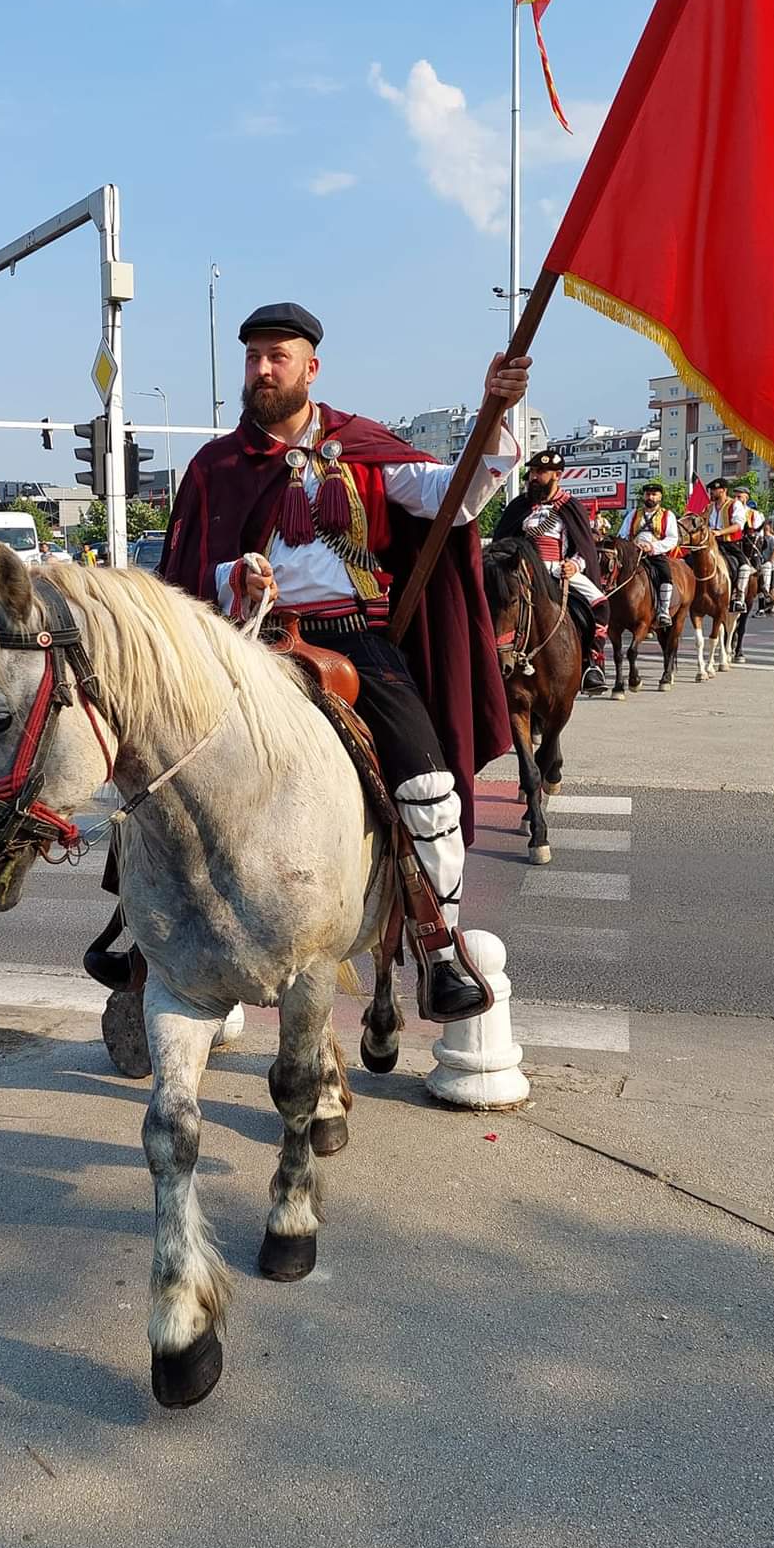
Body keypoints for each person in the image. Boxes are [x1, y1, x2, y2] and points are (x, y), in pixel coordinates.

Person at [158, 300, 528, 1022]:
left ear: (310, 368)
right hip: (251, 641)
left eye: (278, 357)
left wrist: (494, 412)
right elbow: (182, 576)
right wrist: (237, 575)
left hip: (356, 641)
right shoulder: (216, 466)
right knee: (163, 763)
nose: (262, 370)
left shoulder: (365, 449)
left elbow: (456, 501)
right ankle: (141, 941)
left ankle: (437, 943)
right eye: (253, 357)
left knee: (428, 784)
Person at [492, 450, 610, 691]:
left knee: (601, 604)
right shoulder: (519, 506)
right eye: (533, 472)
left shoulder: (570, 507)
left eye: (541, 472)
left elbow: (584, 548)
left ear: (557, 475)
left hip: (558, 570)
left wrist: (574, 564)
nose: (534, 477)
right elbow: (501, 543)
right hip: (523, 572)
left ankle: (592, 663)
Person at [617, 479, 680, 626]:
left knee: (665, 575)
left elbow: (672, 538)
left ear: (660, 497)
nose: (650, 497)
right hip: (632, 555)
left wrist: (652, 547)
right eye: (648, 494)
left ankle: (663, 611)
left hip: (655, 554)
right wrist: (630, 546)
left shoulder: (667, 515)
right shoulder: (633, 514)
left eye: (654, 494)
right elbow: (623, 534)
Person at [706, 478, 750, 609]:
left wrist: (720, 532)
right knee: (689, 561)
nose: (711, 493)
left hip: (729, 543)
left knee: (745, 565)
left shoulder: (734, 505)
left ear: (723, 490)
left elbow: (738, 525)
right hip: (710, 543)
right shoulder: (709, 507)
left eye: (714, 490)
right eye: (711, 490)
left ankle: (739, 597)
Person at [761, 517, 774, 606]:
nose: (764, 527)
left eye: (766, 525)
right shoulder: (762, 538)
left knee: (772, 587)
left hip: (772, 567)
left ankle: (773, 606)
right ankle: (767, 605)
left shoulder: (772, 539)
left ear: (769, 526)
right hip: (763, 565)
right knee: (765, 587)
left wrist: (769, 563)